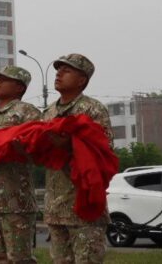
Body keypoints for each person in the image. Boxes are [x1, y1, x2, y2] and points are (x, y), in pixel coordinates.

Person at [40, 54, 113, 264]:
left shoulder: (93, 110)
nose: (59, 73)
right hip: (55, 206)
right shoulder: (49, 112)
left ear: (82, 80)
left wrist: (69, 146)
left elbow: (104, 151)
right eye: (58, 70)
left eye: (67, 70)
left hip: (84, 205)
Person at [0, 64, 41, 264]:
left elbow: (37, 150)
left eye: (5, 79)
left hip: (16, 200)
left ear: (19, 88)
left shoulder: (27, 112)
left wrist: (15, 147)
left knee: (19, 258)